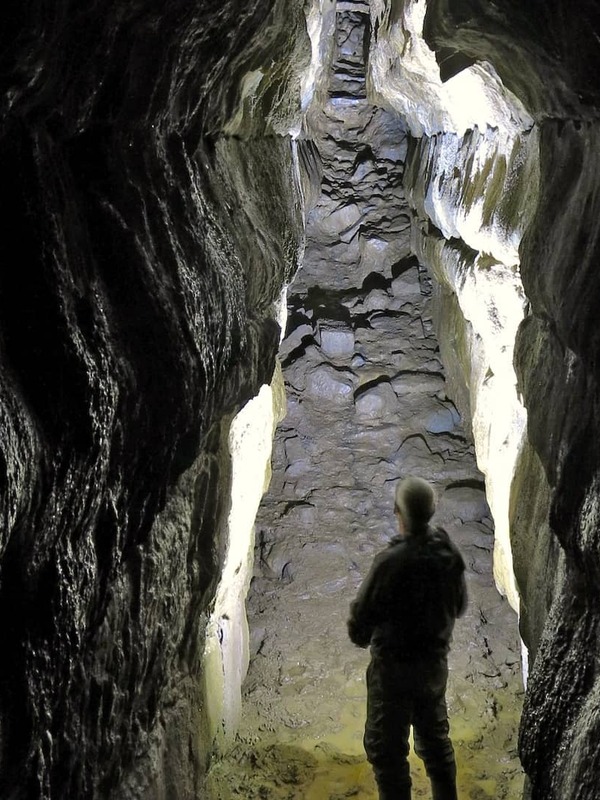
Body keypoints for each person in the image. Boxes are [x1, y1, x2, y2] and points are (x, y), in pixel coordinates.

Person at [347, 476, 467, 800]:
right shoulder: (448, 556)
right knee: (437, 746)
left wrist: (365, 633)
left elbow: (359, 623)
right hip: (432, 669)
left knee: (387, 754)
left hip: (393, 675)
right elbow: (459, 607)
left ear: (397, 513)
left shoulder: (389, 562)